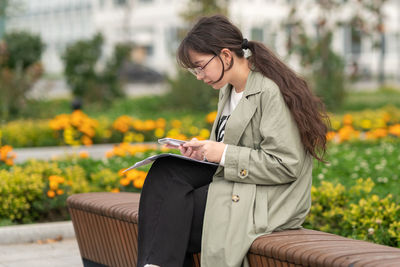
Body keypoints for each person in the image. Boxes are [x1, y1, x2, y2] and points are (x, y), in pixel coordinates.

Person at [137, 15, 328, 267]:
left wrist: (224, 153)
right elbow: (233, 148)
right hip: (240, 184)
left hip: (269, 198)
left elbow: (285, 165)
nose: (198, 75)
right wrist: (205, 152)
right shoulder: (228, 90)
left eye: (200, 66)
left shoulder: (269, 91)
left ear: (226, 56)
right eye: (194, 69)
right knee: (166, 171)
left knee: (172, 214)